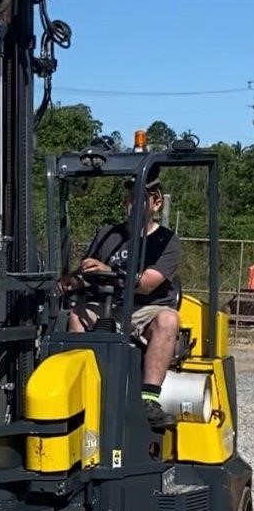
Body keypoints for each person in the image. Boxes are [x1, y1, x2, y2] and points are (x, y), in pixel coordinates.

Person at [60, 174, 181, 432]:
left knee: (169, 319)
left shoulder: (166, 241)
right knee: (76, 315)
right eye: (129, 198)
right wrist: (74, 281)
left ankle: (149, 400)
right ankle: (79, 391)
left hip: (146, 310)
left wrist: (109, 270)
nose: (131, 203)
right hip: (109, 305)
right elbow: (87, 271)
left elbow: (147, 283)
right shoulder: (108, 234)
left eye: (139, 199)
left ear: (156, 203)